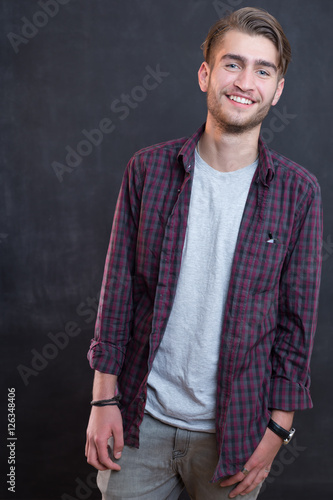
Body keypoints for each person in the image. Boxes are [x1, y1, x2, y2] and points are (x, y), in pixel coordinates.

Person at [85, 7, 323, 500]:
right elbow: (118, 293)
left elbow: (296, 323)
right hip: (138, 420)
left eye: (263, 70)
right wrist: (102, 398)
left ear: (277, 90)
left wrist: (278, 430)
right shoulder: (147, 172)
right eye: (232, 64)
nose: (245, 82)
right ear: (205, 74)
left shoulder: (299, 192)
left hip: (236, 432)